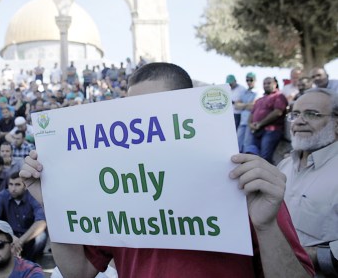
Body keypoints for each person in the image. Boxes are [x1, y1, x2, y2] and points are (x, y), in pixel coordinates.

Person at [20, 62, 314, 277]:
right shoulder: (117, 188)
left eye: (156, 110)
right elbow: (78, 272)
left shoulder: (244, 179)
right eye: (132, 114)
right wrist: (55, 202)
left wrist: (265, 226)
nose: (143, 125)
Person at [278, 88, 338, 276]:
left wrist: (307, 255)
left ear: (336, 124)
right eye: (295, 114)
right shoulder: (283, 166)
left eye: (312, 114)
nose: (299, 121)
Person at [0, 172, 47, 261]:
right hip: (9, 235)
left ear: (25, 186)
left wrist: (20, 241)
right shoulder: (3, 195)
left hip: (28, 236)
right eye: (10, 184)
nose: (13, 189)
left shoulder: (33, 196)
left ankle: (31, 263)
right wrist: (9, 235)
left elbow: (41, 222)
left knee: (41, 237)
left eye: (17, 185)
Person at [246, 77, 288, 163]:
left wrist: (260, 124)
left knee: (265, 158)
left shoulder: (279, 96)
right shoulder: (259, 100)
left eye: (269, 83)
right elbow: (252, 113)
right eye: (264, 83)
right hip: (256, 130)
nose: (266, 85)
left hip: (271, 130)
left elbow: (278, 112)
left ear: (275, 84)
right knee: (251, 154)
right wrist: (250, 124)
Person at [235, 72, 258, 152]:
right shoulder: (244, 92)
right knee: (237, 144)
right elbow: (236, 105)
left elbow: (253, 106)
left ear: (255, 80)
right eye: (247, 80)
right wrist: (247, 105)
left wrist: (242, 105)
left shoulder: (258, 92)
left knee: (247, 145)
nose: (249, 82)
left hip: (250, 122)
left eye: (251, 80)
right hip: (242, 121)